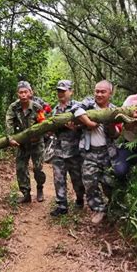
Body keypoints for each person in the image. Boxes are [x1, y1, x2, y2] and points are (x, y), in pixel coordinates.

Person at [71, 80, 121, 224]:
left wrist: (110, 123)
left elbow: (117, 133)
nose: (98, 94)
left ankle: (113, 208)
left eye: (102, 92)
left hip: (108, 153)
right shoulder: (88, 104)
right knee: (89, 182)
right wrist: (89, 122)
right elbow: (75, 108)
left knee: (109, 183)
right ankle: (99, 209)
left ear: (110, 93)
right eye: (97, 91)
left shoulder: (114, 110)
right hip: (89, 152)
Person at [5, 81, 46, 203]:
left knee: (38, 168)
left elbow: (43, 124)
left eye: (25, 92)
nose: (23, 95)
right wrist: (10, 138)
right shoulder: (13, 107)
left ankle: (40, 188)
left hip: (36, 143)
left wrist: (38, 135)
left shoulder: (37, 107)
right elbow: (9, 122)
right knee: (21, 168)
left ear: (30, 93)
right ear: (18, 94)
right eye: (21, 92)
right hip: (21, 144)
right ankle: (26, 193)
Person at [50, 80, 85, 217]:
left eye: (63, 91)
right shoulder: (55, 110)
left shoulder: (78, 107)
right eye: (59, 91)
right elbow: (52, 129)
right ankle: (62, 205)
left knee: (77, 178)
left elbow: (86, 125)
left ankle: (80, 199)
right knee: (59, 178)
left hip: (75, 150)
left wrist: (76, 127)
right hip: (59, 150)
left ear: (71, 91)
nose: (61, 94)